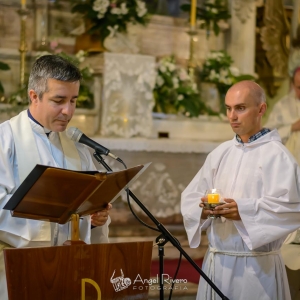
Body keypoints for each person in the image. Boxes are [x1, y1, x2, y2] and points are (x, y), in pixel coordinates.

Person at [0, 55, 111, 299]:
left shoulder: (78, 148)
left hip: (69, 270)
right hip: (19, 268)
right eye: (58, 100)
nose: (68, 111)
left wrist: (94, 219)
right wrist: (42, 232)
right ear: (34, 96)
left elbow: (84, 211)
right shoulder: (5, 141)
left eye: (73, 100)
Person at [181, 80, 300, 300]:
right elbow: (190, 197)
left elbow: (291, 209)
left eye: (240, 108)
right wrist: (204, 209)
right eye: (228, 108)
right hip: (217, 262)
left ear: (261, 109)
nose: (232, 116)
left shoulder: (278, 156)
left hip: (256, 268)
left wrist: (243, 211)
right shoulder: (220, 153)